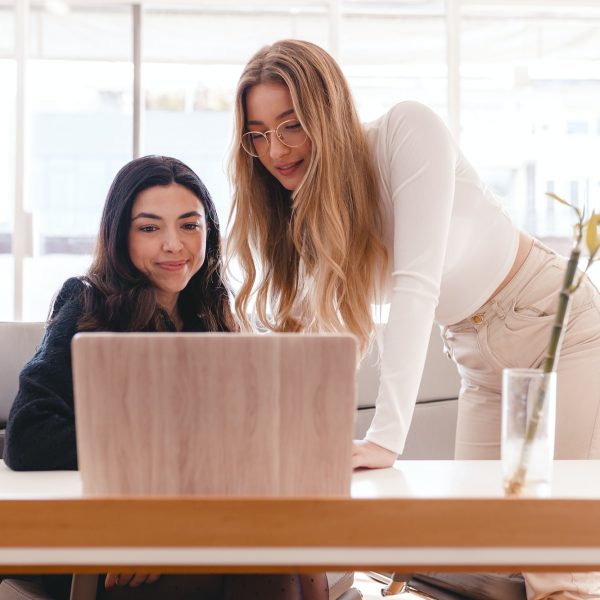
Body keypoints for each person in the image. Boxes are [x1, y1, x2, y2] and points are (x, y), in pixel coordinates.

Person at [227, 39, 600, 600]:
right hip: (475, 354)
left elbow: (415, 286)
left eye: (291, 124)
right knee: (480, 565)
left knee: (555, 563)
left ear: (326, 112)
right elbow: (312, 336)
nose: (275, 149)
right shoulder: (313, 212)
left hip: (555, 327)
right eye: (258, 134)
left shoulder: (407, 131)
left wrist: (385, 438)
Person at [5, 155, 329, 600]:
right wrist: (159, 489)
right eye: (150, 227)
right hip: (104, 540)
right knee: (273, 574)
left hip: (199, 528)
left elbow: (238, 449)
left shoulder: (213, 316)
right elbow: (28, 434)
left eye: (189, 225)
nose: (173, 244)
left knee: (302, 568)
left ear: (209, 233)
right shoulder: (88, 304)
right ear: (121, 235)